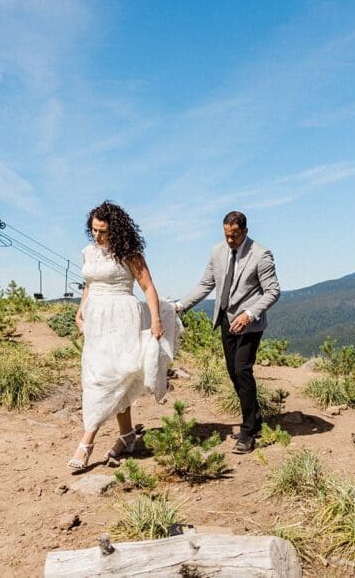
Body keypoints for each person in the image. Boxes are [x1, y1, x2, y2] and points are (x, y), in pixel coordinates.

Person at [68, 201, 180, 470]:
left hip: (121, 317)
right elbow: (89, 285)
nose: (97, 236)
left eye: (103, 231)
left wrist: (155, 320)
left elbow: (148, 287)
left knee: (113, 376)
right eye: (94, 230)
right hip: (96, 321)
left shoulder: (130, 254)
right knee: (99, 376)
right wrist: (80, 312)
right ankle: (128, 436)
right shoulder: (88, 252)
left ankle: (87, 442)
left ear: (115, 230)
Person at [176, 211, 280, 453]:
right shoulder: (217, 252)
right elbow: (205, 285)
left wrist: (249, 314)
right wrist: (180, 307)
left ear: (245, 231)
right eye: (226, 235)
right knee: (234, 372)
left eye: (234, 236)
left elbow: (273, 292)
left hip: (249, 322)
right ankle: (255, 418)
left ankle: (247, 432)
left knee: (243, 369)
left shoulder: (261, 255)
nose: (230, 240)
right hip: (225, 319)